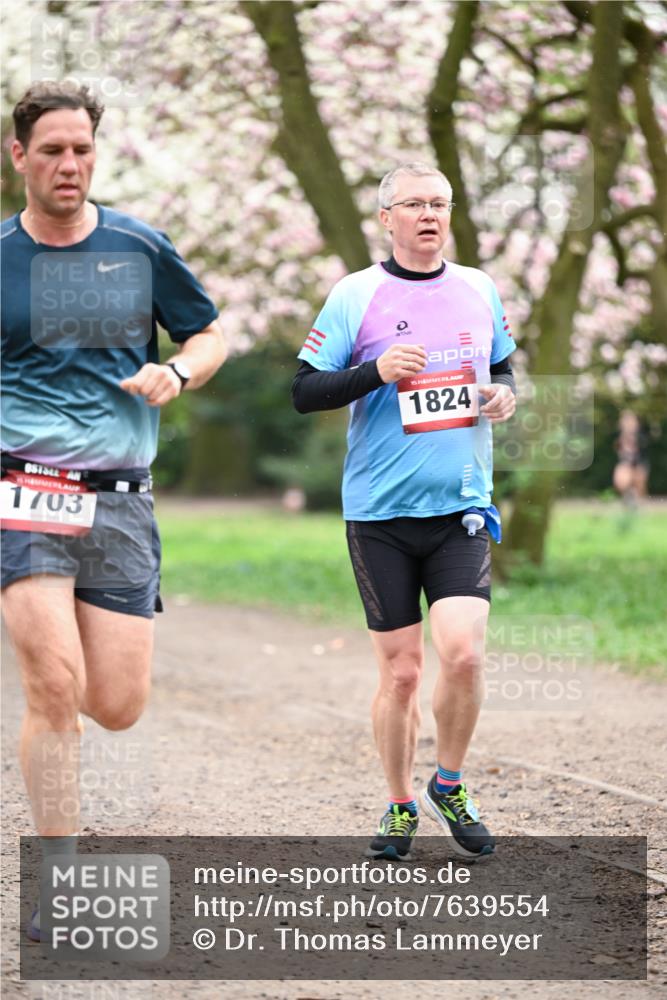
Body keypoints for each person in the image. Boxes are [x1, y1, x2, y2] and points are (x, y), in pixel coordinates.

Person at [1, 81, 226, 938]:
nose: (69, 164)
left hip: (123, 500)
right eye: (51, 149)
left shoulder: (139, 247)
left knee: (116, 701)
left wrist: (180, 371)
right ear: (18, 156)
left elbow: (209, 333)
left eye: (82, 149)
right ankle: (57, 882)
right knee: (51, 683)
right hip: (23, 492)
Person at [292, 162, 516, 861]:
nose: (428, 214)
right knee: (401, 674)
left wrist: (504, 394)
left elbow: (502, 365)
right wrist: (376, 371)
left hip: (460, 508)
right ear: (385, 218)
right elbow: (303, 390)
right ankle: (397, 803)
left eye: (439, 203)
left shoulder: (478, 288)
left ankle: (447, 782)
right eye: (413, 203)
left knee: (465, 655)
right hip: (379, 514)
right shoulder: (354, 295)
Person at [612, 410, 649, 508]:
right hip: (625, 463)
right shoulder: (619, 436)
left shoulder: (640, 437)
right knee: (620, 481)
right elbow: (619, 450)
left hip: (638, 464)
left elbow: (640, 452)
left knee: (639, 486)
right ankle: (628, 498)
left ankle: (638, 503)